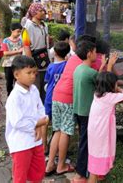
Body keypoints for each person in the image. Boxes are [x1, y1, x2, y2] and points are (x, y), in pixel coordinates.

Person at [49, 35, 97, 176]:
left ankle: (50, 164)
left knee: (57, 130)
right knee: (66, 132)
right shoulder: (87, 63)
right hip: (68, 98)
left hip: (57, 94)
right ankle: (61, 166)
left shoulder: (72, 57)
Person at [70, 42, 118, 181]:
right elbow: (106, 84)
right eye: (95, 52)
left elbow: (96, 77)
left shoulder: (79, 69)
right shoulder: (90, 72)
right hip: (87, 113)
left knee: (83, 141)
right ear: (89, 53)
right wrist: (109, 66)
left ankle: (88, 172)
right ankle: (81, 174)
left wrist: (103, 66)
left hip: (78, 110)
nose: (96, 55)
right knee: (87, 144)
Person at [5, 56, 48, 183]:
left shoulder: (34, 89)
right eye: (28, 73)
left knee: (38, 171)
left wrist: (40, 124)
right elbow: (17, 122)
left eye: (34, 72)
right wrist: (38, 123)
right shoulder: (14, 98)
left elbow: (40, 107)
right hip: (21, 143)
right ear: (17, 75)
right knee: (20, 176)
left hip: (35, 140)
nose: (33, 76)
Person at [87, 72, 123, 183]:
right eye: (116, 84)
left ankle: (97, 176)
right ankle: (93, 179)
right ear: (111, 86)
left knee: (95, 154)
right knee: (98, 157)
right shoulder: (110, 97)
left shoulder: (97, 94)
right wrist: (120, 90)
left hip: (94, 130)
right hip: (101, 132)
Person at [43, 41, 70, 150]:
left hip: (49, 96)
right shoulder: (67, 66)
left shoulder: (50, 66)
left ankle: (44, 145)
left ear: (54, 53)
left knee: (45, 120)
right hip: (61, 98)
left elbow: (47, 81)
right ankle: (58, 147)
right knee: (60, 124)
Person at [22, 3, 50, 100]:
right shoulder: (27, 27)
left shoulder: (44, 25)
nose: (44, 12)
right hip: (34, 61)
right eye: (41, 11)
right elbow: (26, 46)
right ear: (34, 13)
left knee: (44, 88)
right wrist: (32, 65)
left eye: (44, 10)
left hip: (44, 60)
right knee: (35, 88)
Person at [1, 23, 24, 95]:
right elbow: (5, 53)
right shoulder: (5, 41)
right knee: (9, 82)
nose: (19, 33)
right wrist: (18, 51)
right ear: (12, 30)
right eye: (18, 31)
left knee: (18, 82)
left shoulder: (21, 41)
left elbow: (23, 50)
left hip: (18, 65)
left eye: (20, 31)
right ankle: (9, 96)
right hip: (8, 65)